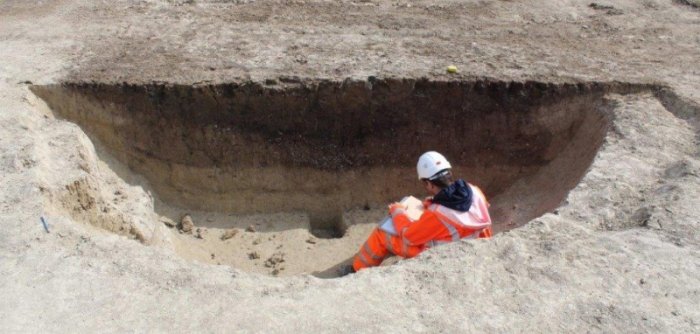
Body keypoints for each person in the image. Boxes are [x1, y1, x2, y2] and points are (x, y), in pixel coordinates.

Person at [339, 151, 492, 276]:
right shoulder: (474, 190)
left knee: (382, 233)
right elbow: (463, 212)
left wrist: (398, 212)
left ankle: (356, 271)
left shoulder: (438, 214)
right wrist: (433, 203)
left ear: (429, 183)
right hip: (478, 244)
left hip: (447, 254)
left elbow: (409, 237)